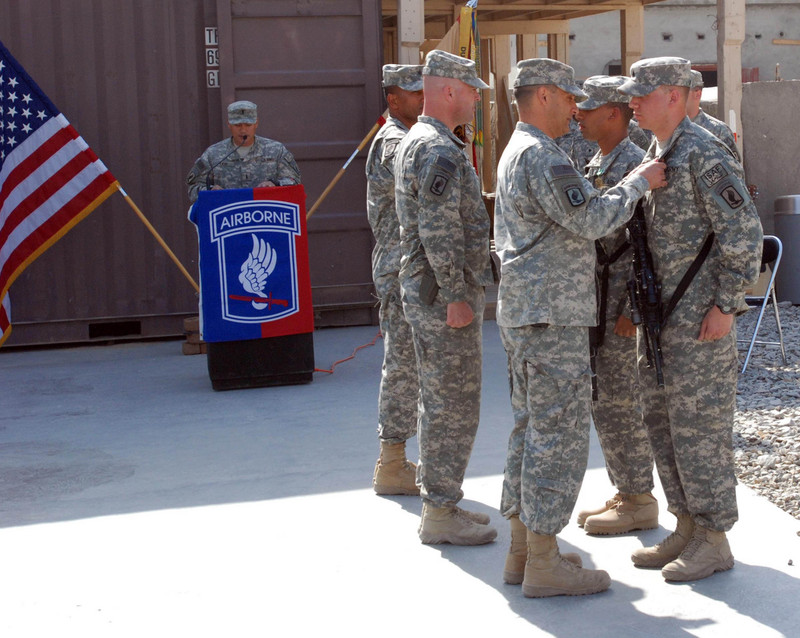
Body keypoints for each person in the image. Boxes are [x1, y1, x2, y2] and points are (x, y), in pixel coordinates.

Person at [494, 59, 666, 597]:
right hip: (553, 315)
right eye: (569, 96)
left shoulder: (517, 149)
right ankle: (544, 562)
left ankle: (525, 550)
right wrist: (639, 183)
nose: (576, 106)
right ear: (543, 95)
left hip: (529, 312)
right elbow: (592, 219)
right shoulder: (544, 157)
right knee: (557, 436)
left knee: (529, 429)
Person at [618, 57, 762, 582]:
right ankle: (686, 525)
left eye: (643, 92)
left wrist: (726, 305)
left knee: (699, 429)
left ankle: (715, 537)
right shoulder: (657, 153)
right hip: (661, 321)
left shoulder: (703, 152)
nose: (632, 100)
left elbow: (744, 235)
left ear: (675, 96)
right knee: (664, 425)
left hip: (698, 321)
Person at [394, 49, 496, 546]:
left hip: (433, 291)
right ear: (449, 90)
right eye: (472, 88)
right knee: (451, 402)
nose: (477, 97)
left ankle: (443, 500)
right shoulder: (436, 149)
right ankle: (439, 509)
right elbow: (438, 229)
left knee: (441, 398)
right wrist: (456, 294)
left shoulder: (429, 141)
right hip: (442, 297)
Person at [572, 76, 659, 535]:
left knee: (621, 400)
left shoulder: (633, 163)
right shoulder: (599, 160)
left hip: (620, 303)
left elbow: (646, 247)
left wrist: (632, 309)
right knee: (603, 399)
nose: (577, 114)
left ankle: (640, 498)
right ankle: (626, 488)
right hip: (599, 300)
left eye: (587, 108)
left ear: (613, 112)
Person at [366, 64, 425, 496]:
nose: (422, 97)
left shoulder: (407, 138)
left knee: (409, 365)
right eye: (414, 92)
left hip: (405, 264)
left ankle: (396, 458)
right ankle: (392, 461)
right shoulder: (395, 143)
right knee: (403, 366)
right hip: (401, 266)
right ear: (393, 99)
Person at [186, 100, 301, 202]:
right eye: (238, 125)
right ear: (229, 125)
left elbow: (294, 181)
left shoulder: (275, 150)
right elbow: (193, 188)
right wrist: (210, 190)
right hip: (228, 219)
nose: (243, 130)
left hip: (266, 217)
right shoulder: (213, 154)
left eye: (248, 124)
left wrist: (275, 184)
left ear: (256, 124)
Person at [686, 70, 740, 162]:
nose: (673, 96)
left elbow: (733, 172)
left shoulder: (718, 131)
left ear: (697, 94)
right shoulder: (661, 129)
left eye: (682, 92)